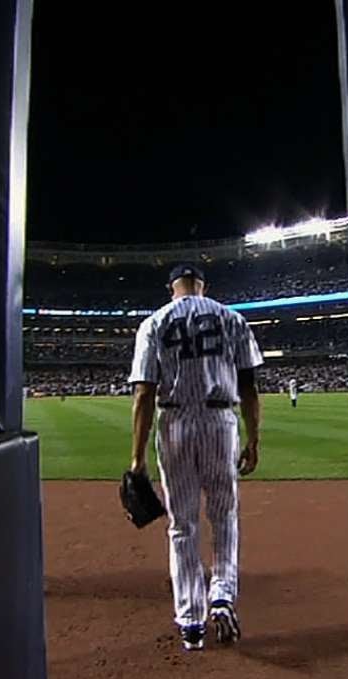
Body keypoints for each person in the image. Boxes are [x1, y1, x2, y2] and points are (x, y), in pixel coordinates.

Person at [126, 262, 263, 652]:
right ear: (203, 285)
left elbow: (143, 393)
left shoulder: (155, 322)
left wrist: (137, 459)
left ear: (172, 288)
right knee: (224, 517)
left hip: (176, 424)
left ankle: (190, 622)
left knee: (182, 525)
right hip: (221, 421)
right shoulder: (232, 318)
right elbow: (250, 386)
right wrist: (254, 439)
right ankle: (222, 596)